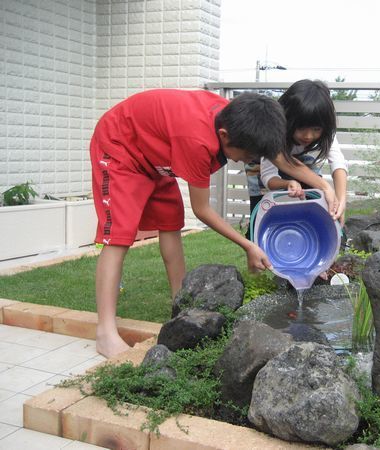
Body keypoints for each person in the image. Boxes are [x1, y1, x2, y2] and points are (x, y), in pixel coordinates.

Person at [90, 89, 339, 358]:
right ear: (223, 137)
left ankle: (180, 306)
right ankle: (105, 332)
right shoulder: (196, 142)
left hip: (156, 154)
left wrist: (325, 186)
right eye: (244, 156)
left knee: (171, 222)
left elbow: (282, 160)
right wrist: (248, 245)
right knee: (119, 235)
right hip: (120, 146)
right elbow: (202, 210)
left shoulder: (244, 119)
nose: (244, 161)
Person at [260, 79, 348, 222]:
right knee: (262, 209)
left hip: (296, 160)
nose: (308, 136)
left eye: (316, 129)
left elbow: (338, 162)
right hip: (260, 159)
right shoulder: (273, 131)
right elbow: (268, 176)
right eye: (301, 128)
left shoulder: (325, 128)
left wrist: (341, 201)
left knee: (316, 189)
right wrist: (286, 183)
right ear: (287, 119)